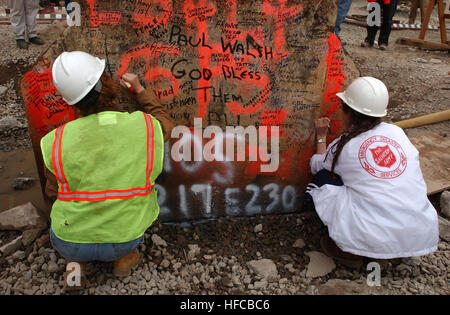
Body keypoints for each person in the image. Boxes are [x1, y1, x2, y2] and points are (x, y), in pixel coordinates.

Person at [40, 51, 174, 288]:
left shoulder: (56, 140)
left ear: (69, 100)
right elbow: (166, 123)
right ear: (105, 83)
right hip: (124, 237)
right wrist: (141, 91)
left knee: (68, 235)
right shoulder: (142, 127)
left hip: (69, 240)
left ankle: (76, 265)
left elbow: (53, 194)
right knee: (123, 243)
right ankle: (123, 260)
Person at [304, 77, 438, 267]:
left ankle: (348, 252)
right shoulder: (396, 132)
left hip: (374, 236)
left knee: (321, 180)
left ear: (346, 111)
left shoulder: (345, 145)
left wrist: (321, 137)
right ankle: (389, 254)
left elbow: (315, 164)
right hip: (419, 232)